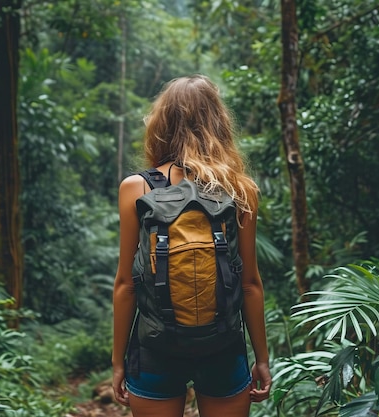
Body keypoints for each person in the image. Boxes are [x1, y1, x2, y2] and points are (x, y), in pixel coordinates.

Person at [112, 74, 271, 417]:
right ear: (219, 123)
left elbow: (126, 284)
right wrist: (261, 359)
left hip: (155, 346)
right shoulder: (240, 190)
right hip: (223, 347)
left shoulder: (136, 188)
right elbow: (250, 284)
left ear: (162, 124)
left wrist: (117, 362)